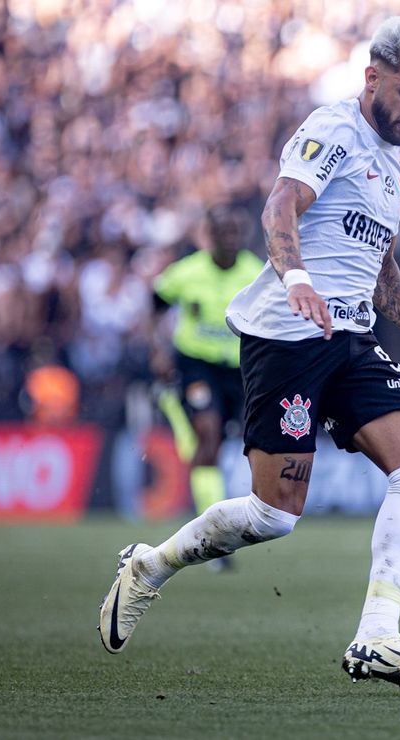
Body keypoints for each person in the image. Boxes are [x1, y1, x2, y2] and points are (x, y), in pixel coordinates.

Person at [99, 17, 400, 694]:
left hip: (350, 339)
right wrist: (297, 278)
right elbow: (280, 209)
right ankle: (151, 565)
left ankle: (376, 636)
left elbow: (379, 266)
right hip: (286, 338)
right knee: (273, 517)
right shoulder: (334, 130)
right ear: (373, 78)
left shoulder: (398, 162)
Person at [151, 206, 265, 571]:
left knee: (244, 440)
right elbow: (155, 303)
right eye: (222, 233)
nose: (230, 240)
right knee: (208, 433)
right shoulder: (186, 272)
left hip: (239, 369)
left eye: (235, 233)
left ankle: (223, 513)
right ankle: (212, 534)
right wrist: (158, 350)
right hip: (196, 363)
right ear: (209, 236)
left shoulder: (254, 273)